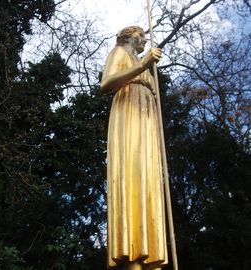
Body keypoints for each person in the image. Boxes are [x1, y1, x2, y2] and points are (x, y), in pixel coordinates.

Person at [101, 26, 168, 270]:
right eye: (140, 34)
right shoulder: (120, 52)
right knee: (133, 174)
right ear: (127, 37)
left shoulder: (144, 64)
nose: (144, 39)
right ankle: (132, 250)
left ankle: (151, 251)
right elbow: (106, 84)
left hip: (146, 122)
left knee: (148, 179)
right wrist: (142, 66)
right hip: (128, 116)